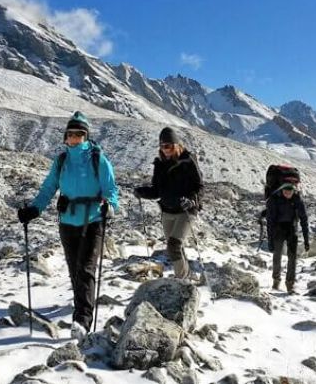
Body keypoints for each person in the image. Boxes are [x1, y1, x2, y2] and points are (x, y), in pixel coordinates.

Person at [17, 111, 118, 340]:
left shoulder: (98, 159)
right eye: (71, 134)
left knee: (85, 269)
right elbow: (48, 188)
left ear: (85, 136)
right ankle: (80, 306)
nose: (74, 138)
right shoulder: (61, 160)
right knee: (74, 271)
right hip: (67, 222)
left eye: (79, 135)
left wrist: (110, 206)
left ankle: (81, 320)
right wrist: (34, 209)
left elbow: (111, 189)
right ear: (65, 136)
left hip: (92, 221)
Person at [133, 127, 203, 279]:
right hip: (167, 212)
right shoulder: (159, 164)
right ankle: (188, 276)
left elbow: (199, 186)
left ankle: (182, 281)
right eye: (163, 146)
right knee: (176, 248)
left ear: (177, 145)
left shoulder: (188, 160)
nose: (166, 149)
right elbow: (157, 191)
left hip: (186, 210)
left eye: (169, 146)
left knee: (174, 245)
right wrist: (142, 192)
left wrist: (192, 200)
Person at [266, 183, 309, 294]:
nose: (287, 194)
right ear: (281, 190)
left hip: (291, 228)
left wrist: (306, 239)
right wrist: (270, 240)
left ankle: (290, 284)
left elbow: (304, 220)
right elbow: (270, 222)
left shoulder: (297, 200)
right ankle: (276, 281)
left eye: (290, 192)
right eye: (285, 191)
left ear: (294, 191)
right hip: (278, 228)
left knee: (292, 258)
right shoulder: (274, 200)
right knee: (277, 255)